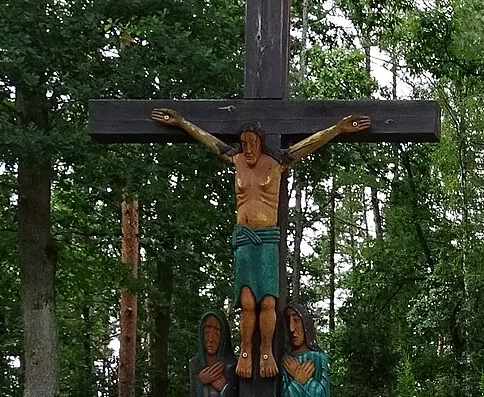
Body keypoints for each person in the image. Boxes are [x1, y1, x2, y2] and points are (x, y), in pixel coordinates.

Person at [148, 108, 368, 377]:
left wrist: (337, 129)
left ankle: (265, 351)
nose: (249, 149)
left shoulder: (276, 162)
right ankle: (245, 351)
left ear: (261, 142)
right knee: (246, 302)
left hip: (266, 238)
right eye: (244, 143)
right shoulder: (237, 161)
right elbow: (209, 140)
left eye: (253, 143)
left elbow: (307, 144)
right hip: (243, 238)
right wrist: (182, 122)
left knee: (266, 302)